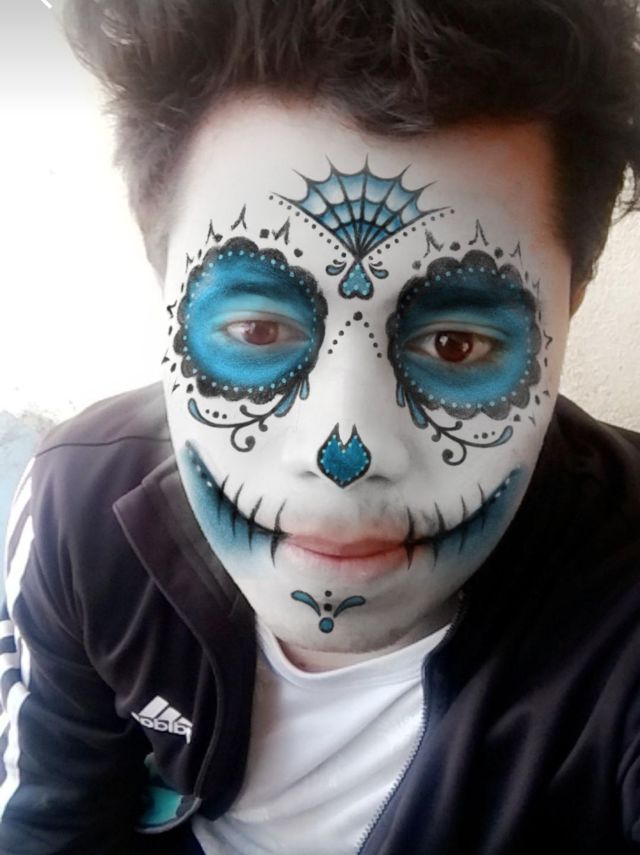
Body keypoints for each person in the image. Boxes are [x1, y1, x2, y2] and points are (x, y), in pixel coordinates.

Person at [2, 0, 640, 852]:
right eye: (258, 329)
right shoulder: (80, 504)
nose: (346, 450)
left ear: (568, 309)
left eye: (455, 344)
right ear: (165, 286)